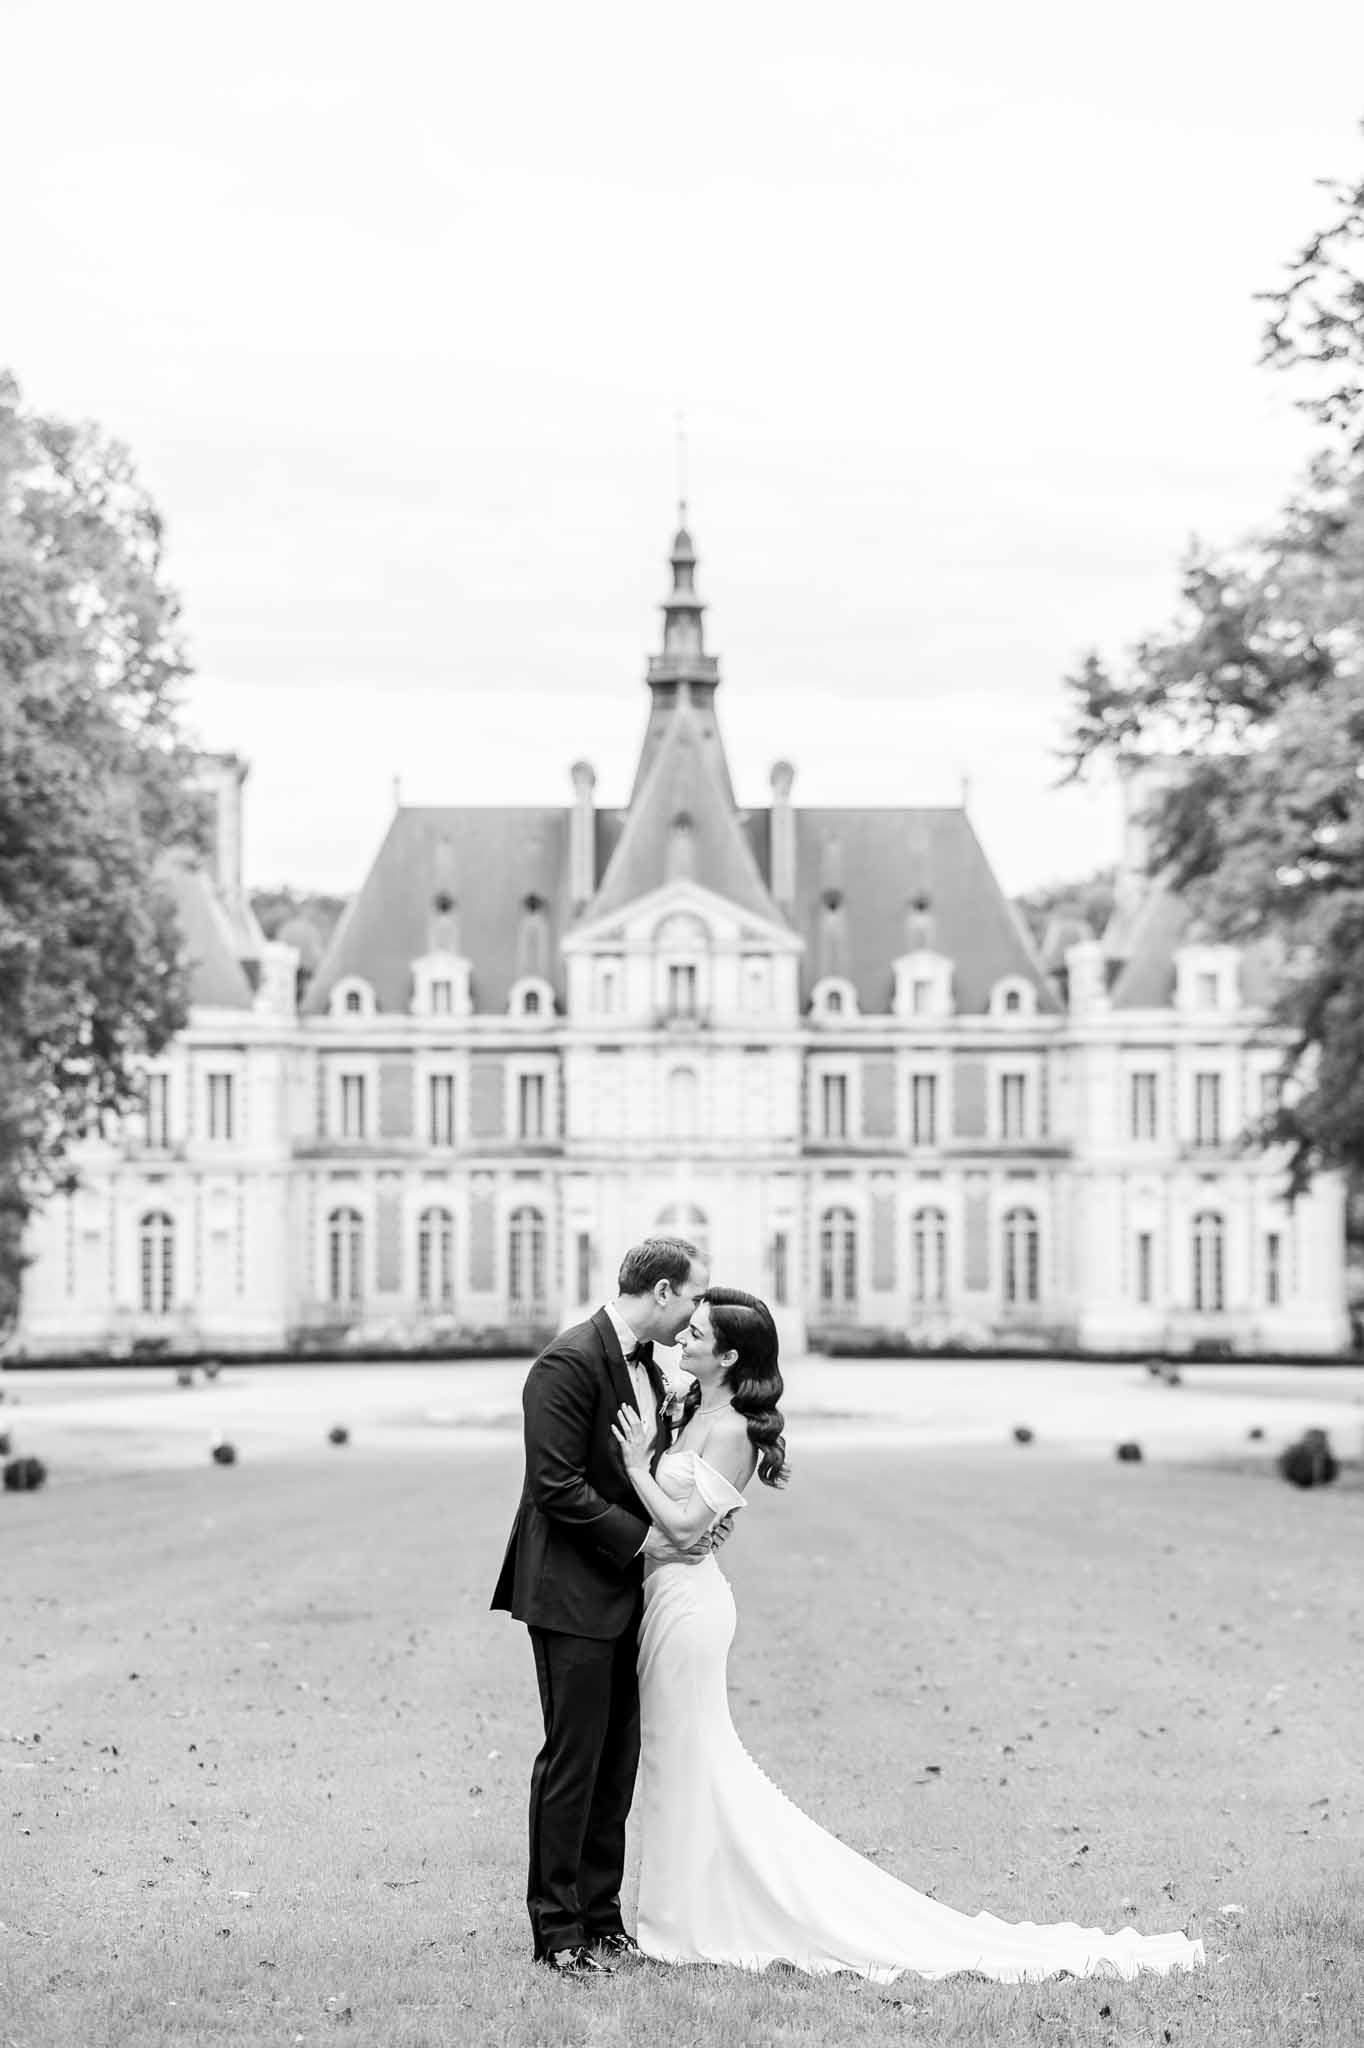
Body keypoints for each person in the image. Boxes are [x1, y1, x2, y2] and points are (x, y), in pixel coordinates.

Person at [611, 1286, 1206, 1983]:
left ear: (730, 1355)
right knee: (673, 1759)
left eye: (698, 1334)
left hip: (690, 1609)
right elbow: (687, 1519)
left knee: (692, 1754)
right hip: (664, 1603)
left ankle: (694, 1919)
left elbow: (684, 1531)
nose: (682, 1337)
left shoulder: (736, 1428)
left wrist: (632, 1467)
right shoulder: (691, 1409)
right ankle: (681, 1910)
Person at [490, 1234, 720, 1975]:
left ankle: (600, 1916)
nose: (692, 1319)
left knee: (615, 1766)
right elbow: (554, 1486)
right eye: (689, 1298)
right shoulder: (565, 1363)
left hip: (627, 1596)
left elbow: (633, 1471)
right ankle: (557, 1933)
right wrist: (645, 1541)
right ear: (660, 1292)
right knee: (573, 1761)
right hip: (569, 1592)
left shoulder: (648, 1368)